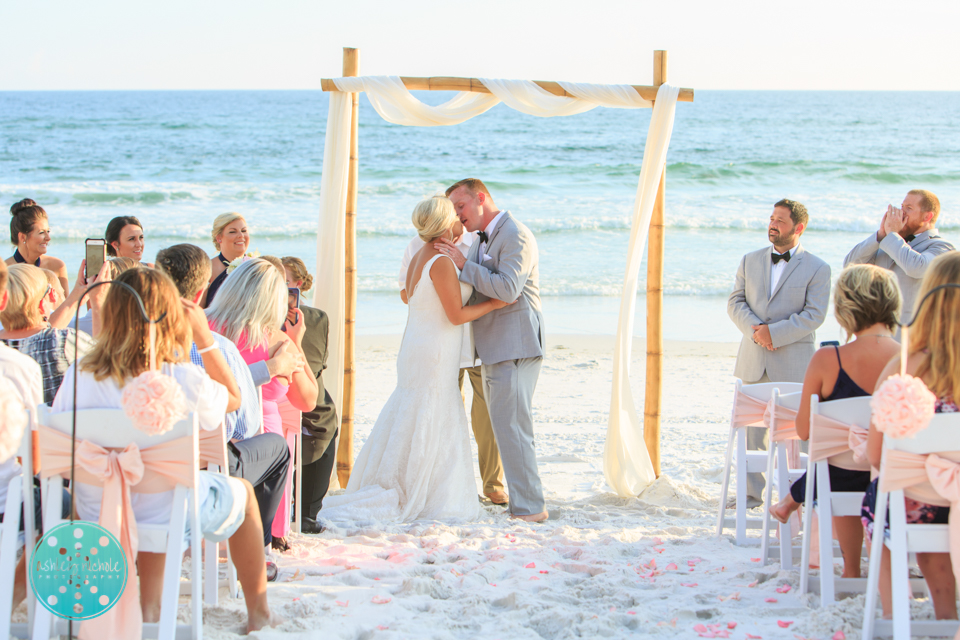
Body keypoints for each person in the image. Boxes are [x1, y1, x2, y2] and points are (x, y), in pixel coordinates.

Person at [51, 267, 280, 632]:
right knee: (242, 494)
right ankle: (258, 613)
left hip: (96, 509)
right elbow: (235, 400)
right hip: (167, 513)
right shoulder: (181, 376)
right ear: (171, 315)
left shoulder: (79, 374)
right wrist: (204, 340)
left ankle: (152, 607)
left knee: (150, 493)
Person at [321, 196, 508, 523]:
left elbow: (409, 297)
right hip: (434, 350)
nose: (458, 221)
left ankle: (409, 481)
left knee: (414, 411)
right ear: (445, 222)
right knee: (432, 411)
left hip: (418, 346)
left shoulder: (420, 254)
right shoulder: (440, 260)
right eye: (454, 216)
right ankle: (425, 491)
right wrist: (495, 304)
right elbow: (455, 315)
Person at [156, 244, 297, 559]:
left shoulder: (125, 347)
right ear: (201, 291)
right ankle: (257, 549)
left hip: (144, 471)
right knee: (275, 448)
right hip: (206, 472)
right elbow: (245, 426)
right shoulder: (217, 349)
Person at [769, 265, 901, 577]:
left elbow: (804, 431)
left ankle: (851, 569)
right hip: (896, 475)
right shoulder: (912, 359)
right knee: (857, 468)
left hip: (841, 477)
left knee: (834, 466)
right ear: (892, 305)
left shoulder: (828, 360)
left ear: (844, 309)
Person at [437, 179, 548, 521]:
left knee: (513, 427)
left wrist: (461, 264)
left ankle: (530, 508)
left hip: (515, 343)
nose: (457, 214)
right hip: (495, 346)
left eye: (460, 206)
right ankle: (526, 505)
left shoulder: (515, 235)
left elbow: (509, 288)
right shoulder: (480, 240)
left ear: (480, 198)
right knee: (507, 426)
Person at [861, 251, 960, 621]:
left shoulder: (905, 368)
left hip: (919, 505)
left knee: (882, 500)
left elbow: (875, 455)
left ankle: (894, 615)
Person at [726, 199, 831, 506]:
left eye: (780, 220)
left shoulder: (818, 268)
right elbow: (735, 302)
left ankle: (801, 496)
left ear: (799, 228)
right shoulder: (749, 260)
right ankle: (750, 495)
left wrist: (775, 333)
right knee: (751, 434)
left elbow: (814, 315)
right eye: (771, 218)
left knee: (800, 434)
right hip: (753, 359)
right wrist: (757, 331)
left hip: (795, 364)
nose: (772, 224)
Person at [207, 258, 317, 545]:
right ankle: (265, 539)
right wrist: (297, 343)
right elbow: (307, 401)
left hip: (202, 438)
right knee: (278, 449)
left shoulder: (200, 327)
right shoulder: (277, 341)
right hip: (258, 439)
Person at [399, 225, 507, 506]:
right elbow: (406, 292)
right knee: (442, 414)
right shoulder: (418, 246)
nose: (459, 219)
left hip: (479, 340)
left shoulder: (479, 243)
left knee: (486, 412)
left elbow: (494, 282)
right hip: (441, 346)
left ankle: (493, 483)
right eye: (453, 212)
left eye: (460, 212)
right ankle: (439, 482)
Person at [281, 256, 338, 533]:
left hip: (291, 395)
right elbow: (317, 365)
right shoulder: (315, 318)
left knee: (323, 412)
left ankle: (307, 510)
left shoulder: (314, 319)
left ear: (298, 285)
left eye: (285, 284)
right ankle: (308, 511)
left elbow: (317, 364)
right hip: (300, 400)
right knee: (324, 414)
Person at [844, 190, 954, 327]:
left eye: (909, 208)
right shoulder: (889, 241)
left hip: (914, 334)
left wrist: (892, 236)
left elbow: (917, 268)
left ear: (927, 216)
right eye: (902, 207)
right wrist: (880, 235)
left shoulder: (942, 246)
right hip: (879, 332)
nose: (902, 213)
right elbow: (850, 266)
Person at [0, 264, 95, 404]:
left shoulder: (5, 351)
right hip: (57, 424)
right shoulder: (63, 341)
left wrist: (76, 295)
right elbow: (106, 361)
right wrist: (99, 300)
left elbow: (36, 337)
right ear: (41, 303)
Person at [5, 199, 68, 296]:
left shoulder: (57, 267)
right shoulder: (5, 271)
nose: (48, 238)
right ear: (22, 237)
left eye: (48, 231)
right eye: (42, 232)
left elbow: (67, 309)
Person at [203, 212, 249, 308]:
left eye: (244, 230)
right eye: (233, 232)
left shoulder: (256, 266)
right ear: (219, 238)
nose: (241, 235)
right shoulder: (207, 269)